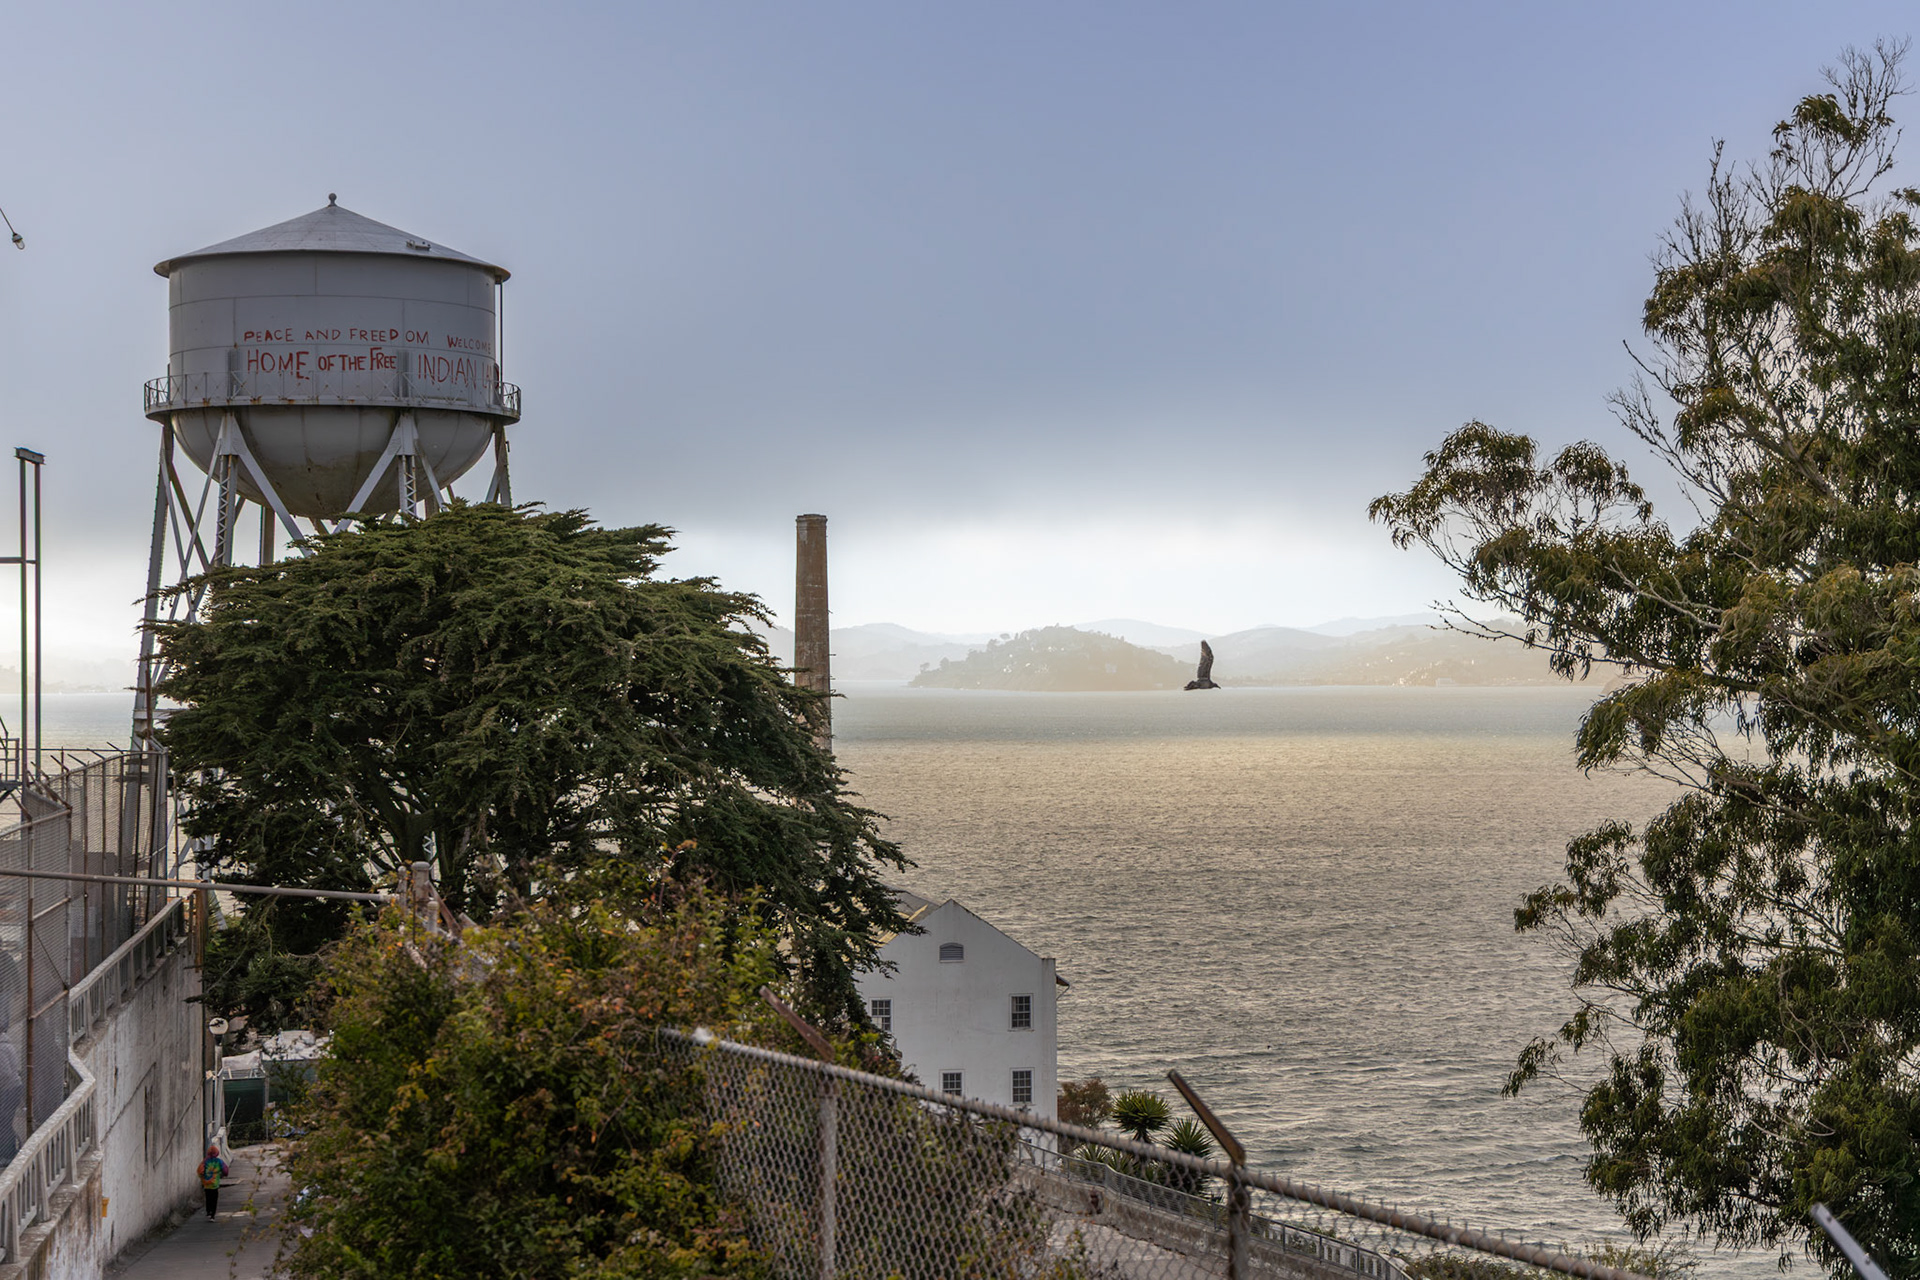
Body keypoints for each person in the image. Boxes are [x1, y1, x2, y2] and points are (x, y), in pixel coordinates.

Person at [198, 1144, 227, 1220]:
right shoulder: (219, 1162)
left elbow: (200, 1171)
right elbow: (225, 1170)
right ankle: (212, 1215)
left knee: (208, 1198)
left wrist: (202, 1177)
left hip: (207, 1184)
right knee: (214, 1199)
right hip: (215, 1184)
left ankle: (208, 1211)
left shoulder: (205, 1161)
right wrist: (223, 1174)